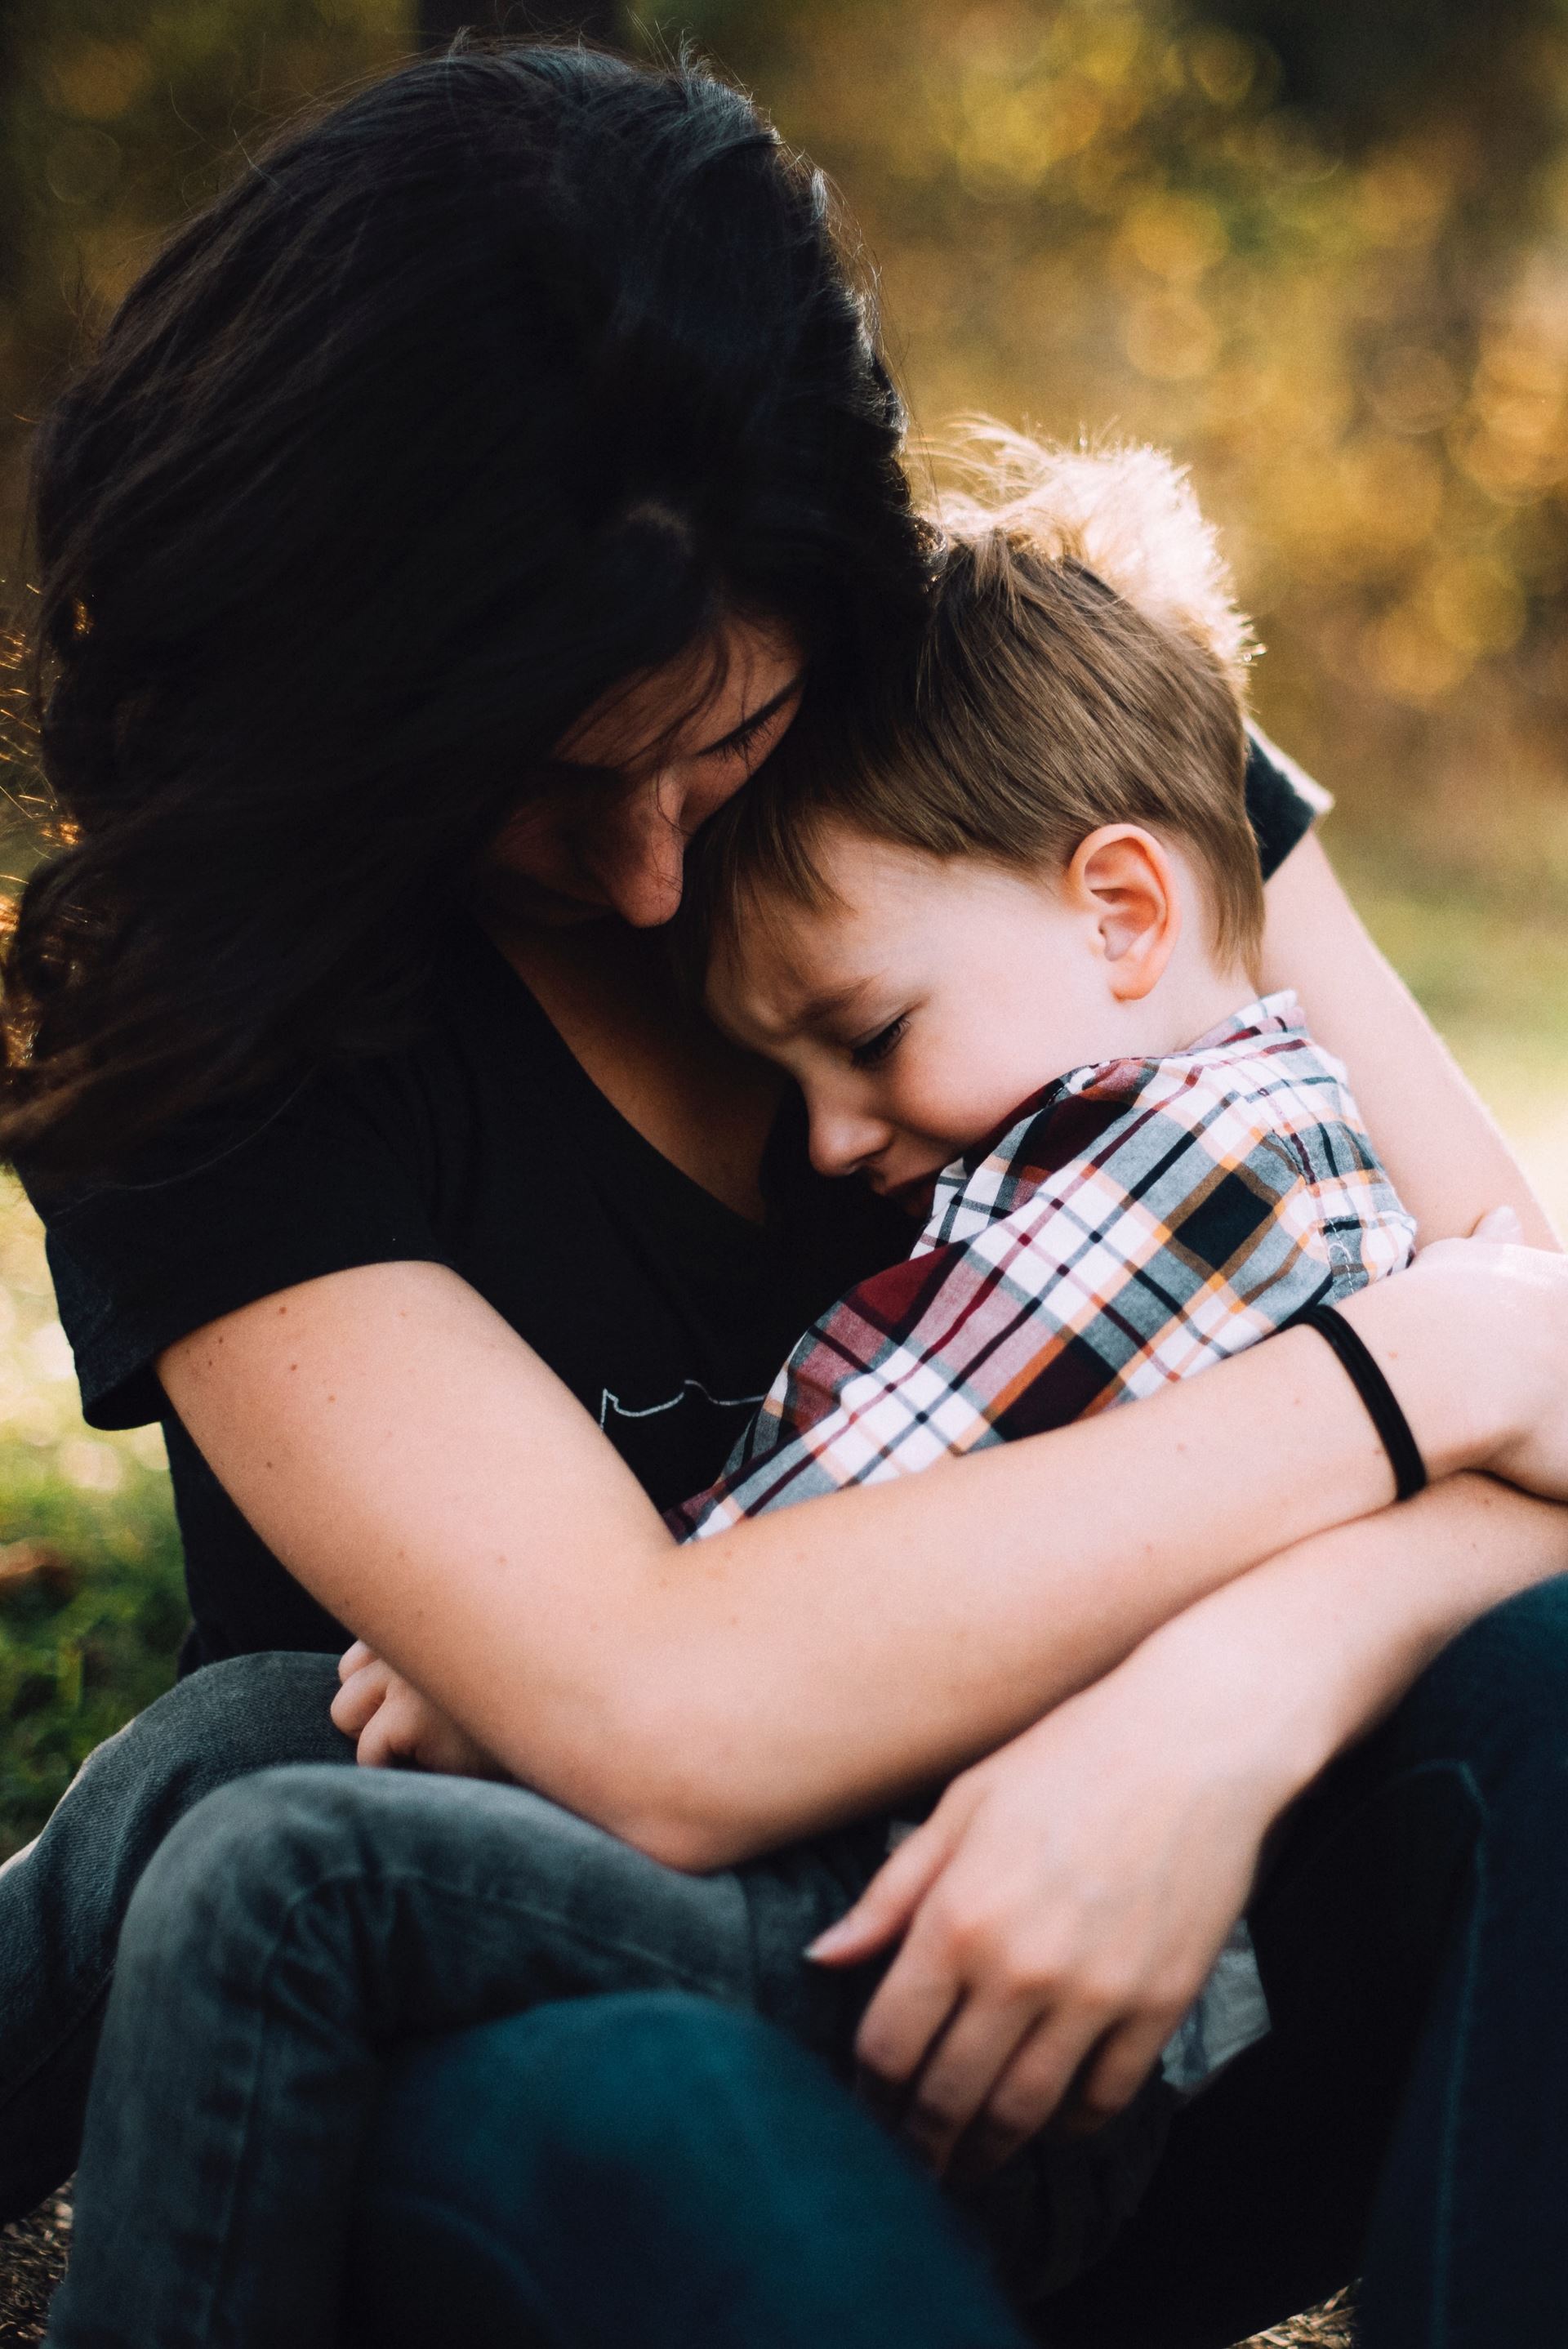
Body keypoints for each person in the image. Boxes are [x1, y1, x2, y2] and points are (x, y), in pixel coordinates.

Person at [6, 38, 1568, 2349]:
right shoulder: (212, 1010)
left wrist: (1223, 1702)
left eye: (720, 747)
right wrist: (1399, 1375)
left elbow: (1546, 1372)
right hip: (566, 2047)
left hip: (1110, 1984)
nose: (653, 872)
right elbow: (656, 1711)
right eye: (541, 783)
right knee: (650, 2122)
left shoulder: (1005, 737)